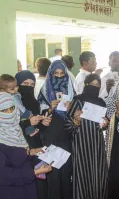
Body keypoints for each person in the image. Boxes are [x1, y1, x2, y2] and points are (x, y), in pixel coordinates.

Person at [0, 92, 52, 199]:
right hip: (7, 191)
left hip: (26, 187)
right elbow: (3, 175)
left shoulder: (14, 129)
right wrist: (35, 172)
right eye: (4, 110)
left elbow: (15, 154)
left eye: (12, 108)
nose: (10, 113)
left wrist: (33, 151)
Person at [66, 74, 108, 199]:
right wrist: (75, 120)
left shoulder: (101, 102)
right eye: (92, 84)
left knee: (99, 176)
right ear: (86, 85)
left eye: (97, 85)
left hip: (97, 145)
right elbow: (67, 125)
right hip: (81, 144)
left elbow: (102, 125)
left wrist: (104, 124)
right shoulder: (77, 100)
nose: (95, 87)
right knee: (82, 176)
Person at [37, 60, 74, 199]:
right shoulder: (44, 93)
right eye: (55, 74)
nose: (59, 77)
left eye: (62, 74)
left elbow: (76, 120)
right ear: (50, 75)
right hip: (50, 139)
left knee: (65, 173)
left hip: (66, 139)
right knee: (52, 173)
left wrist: (71, 109)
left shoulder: (72, 93)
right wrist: (50, 108)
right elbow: (39, 120)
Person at [15, 70, 50, 199]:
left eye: (32, 84)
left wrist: (43, 124)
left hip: (35, 144)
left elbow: (34, 127)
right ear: (17, 85)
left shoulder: (35, 103)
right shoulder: (12, 103)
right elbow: (10, 126)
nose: (29, 87)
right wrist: (27, 123)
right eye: (25, 83)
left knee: (38, 182)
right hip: (19, 146)